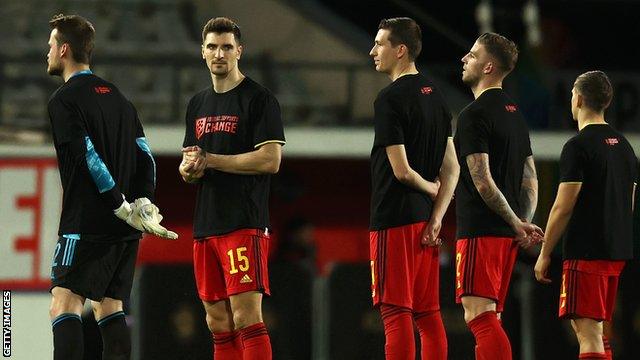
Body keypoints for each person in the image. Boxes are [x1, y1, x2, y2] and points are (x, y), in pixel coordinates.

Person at [45, 14, 176, 360]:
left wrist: (119, 204)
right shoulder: (120, 98)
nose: (47, 53)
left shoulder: (63, 100)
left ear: (64, 50)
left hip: (86, 222)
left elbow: (87, 156)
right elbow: (145, 155)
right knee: (110, 307)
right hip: (126, 228)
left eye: (50, 47)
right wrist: (143, 203)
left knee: (64, 304)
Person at [179, 17, 285, 360]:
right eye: (212, 46)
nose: (219, 54)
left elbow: (270, 160)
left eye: (226, 47)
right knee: (216, 321)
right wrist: (190, 170)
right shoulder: (197, 104)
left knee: (246, 317)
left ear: (239, 51)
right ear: (202, 52)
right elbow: (193, 165)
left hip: (244, 221)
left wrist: (211, 160)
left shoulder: (259, 99)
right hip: (206, 224)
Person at [368, 17, 459, 360]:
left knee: (395, 312)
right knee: (428, 313)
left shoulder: (389, 99)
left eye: (380, 44)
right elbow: (452, 168)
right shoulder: (436, 96)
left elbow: (402, 171)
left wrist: (431, 191)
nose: (372, 50)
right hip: (424, 224)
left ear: (400, 50)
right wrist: (437, 217)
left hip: (393, 218)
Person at [535, 71, 637, 360]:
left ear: (578, 98)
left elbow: (563, 205)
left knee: (587, 332)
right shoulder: (625, 147)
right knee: (599, 331)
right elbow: (628, 204)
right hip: (616, 252)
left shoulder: (577, 146)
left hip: (587, 253)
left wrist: (545, 252)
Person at [453, 32, 543, 360]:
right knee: (492, 314)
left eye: (473, 55)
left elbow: (483, 181)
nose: (465, 58)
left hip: (482, 229)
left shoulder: (472, 115)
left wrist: (515, 223)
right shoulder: (514, 114)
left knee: (479, 316)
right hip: (505, 234)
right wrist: (523, 221)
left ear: (488, 66)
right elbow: (530, 177)